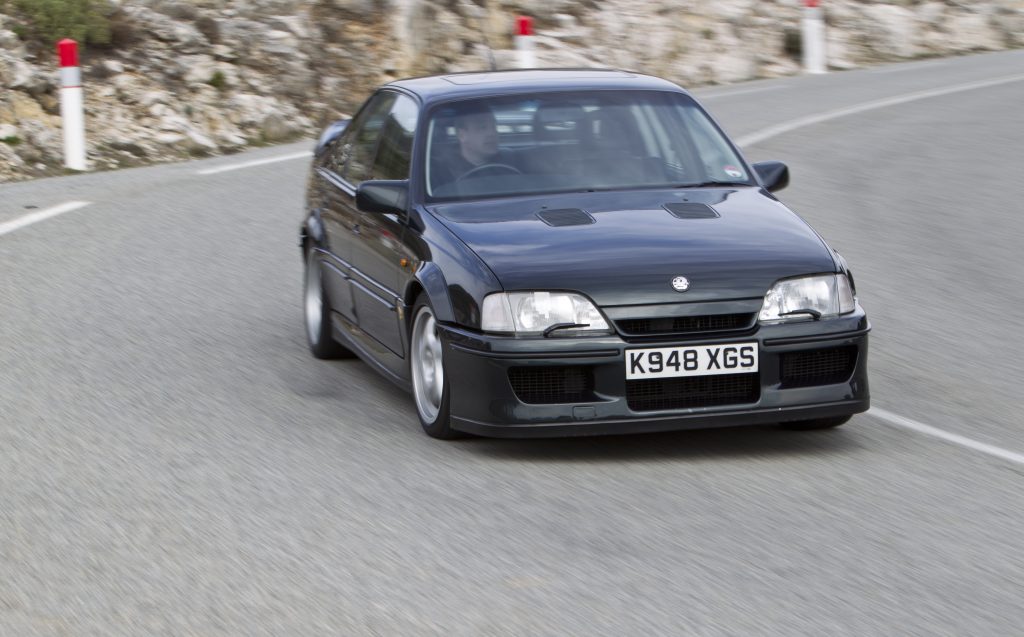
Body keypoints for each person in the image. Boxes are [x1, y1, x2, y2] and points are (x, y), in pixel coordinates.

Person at [431, 103, 517, 190]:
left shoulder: (509, 160)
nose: (492, 133)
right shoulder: (443, 172)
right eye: (482, 127)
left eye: (494, 126)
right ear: (462, 135)